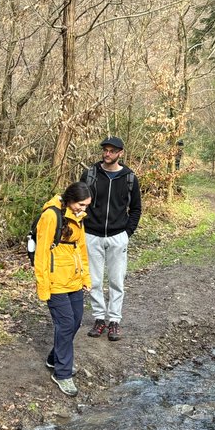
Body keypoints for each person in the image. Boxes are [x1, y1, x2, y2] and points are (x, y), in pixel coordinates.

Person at [34, 181, 92, 397]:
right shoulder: (51, 216)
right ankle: (62, 374)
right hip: (55, 281)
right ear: (70, 199)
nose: (83, 209)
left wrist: (86, 276)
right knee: (66, 323)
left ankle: (54, 358)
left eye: (86, 206)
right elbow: (41, 254)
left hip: (74, 280)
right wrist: (43, 286)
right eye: (80, 204)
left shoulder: (79, 218)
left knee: (76, 321)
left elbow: (81, 249)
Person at [81, 136, 142, 342]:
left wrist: (127, 233)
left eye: (112, 151)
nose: (107, 154)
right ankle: (99, 319)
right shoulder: (90, 174)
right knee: (94, 281)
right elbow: (79, 202)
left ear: (120, 153)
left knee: (117, 281)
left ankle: (114, 321)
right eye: (105, 150)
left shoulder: (129, 178)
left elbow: (136, 209)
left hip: (118, 237)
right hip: (91, 235)